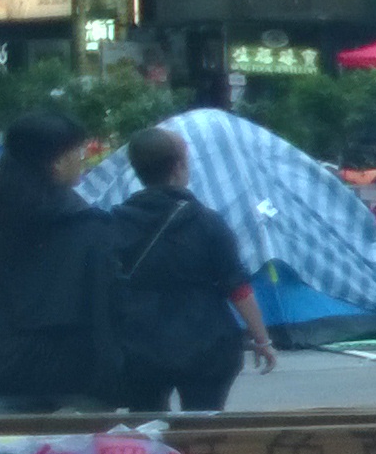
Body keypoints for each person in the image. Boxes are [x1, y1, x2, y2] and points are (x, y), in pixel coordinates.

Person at [0, 111, 120, 415]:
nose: (82, 160)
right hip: (81, 372)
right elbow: (111, 297)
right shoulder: (90, 226)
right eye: (78, 153)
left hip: (11, 366)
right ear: (57, 163)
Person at [104, 125, 276, 411]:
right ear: (178, 166)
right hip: (206, 347)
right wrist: (262, 339)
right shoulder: (207, 222)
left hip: (138, 346)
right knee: (203, 429)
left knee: (148, 430)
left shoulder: (114, 223)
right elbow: (238, 289)